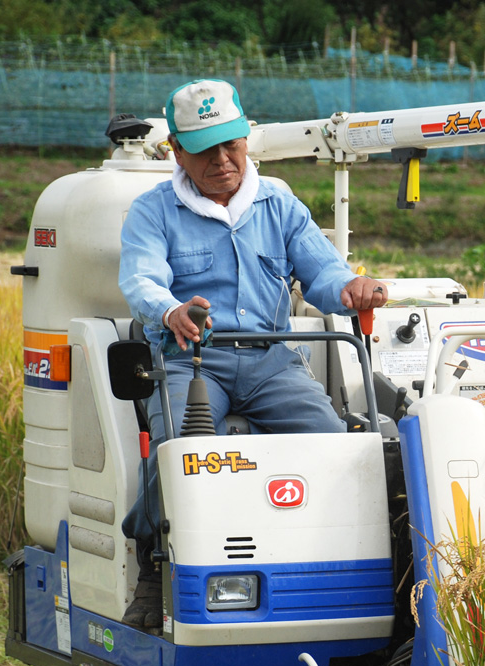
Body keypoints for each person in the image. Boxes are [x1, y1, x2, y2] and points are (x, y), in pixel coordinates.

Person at [118, 78, 388, 631]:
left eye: (231, 144)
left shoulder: (278, 201)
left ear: (245, 139)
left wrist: (351, 288)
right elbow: (142, 280)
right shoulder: (153, 212)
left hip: (273, 360)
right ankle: (153, 563)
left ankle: (318, 562)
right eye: (205, 148)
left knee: (336, 445)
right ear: (177, 151)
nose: (222, 160)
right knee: (179, 450)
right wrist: (171, 311)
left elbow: (324, 272)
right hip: (192, 358)